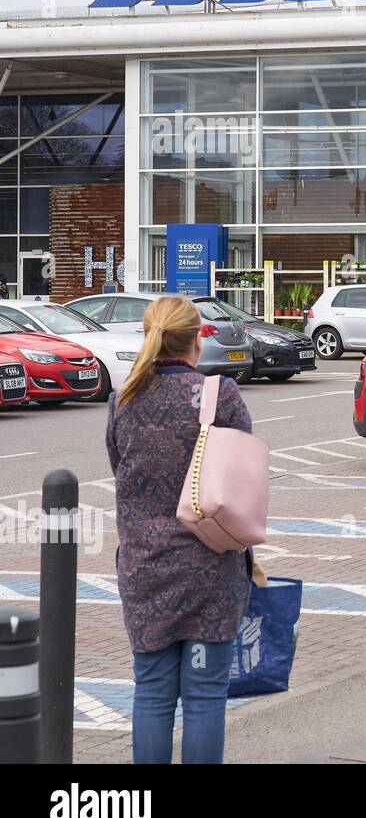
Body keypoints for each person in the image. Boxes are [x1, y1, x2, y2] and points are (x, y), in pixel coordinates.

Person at [105, 296, 253, 765]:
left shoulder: (122, 401)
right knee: (206, 695)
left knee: (151, 691)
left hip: (145, 569)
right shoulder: (219, 395)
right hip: (211, 567)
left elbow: (120, 471)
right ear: (196, 339)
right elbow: (244, 476)